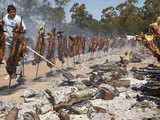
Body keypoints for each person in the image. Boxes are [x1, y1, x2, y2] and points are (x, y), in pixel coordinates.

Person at [3, 4, 26, 82]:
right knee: (7, 58)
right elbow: (3, 28)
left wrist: (19, 33)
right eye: (11, 12)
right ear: (8, 12)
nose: (13, 13)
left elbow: (24, 29)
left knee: (16, 58)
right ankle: (10, 73)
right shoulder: (5, 18)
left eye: (14, 12)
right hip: (7, 41)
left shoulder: (18, 19)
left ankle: (19, 74)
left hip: (16, 42)